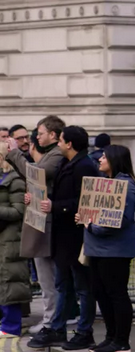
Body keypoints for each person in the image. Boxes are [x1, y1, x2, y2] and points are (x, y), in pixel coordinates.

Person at [36, 125, 100, 350]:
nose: (59, 143)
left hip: (77, 237)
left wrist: (55, 206)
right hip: (63, 237)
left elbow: (85, 202)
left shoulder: (85, 167)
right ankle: (58, 328)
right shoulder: (66, 162)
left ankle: (84, 332)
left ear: (70, 144)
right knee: (63, 285)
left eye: (61, 140)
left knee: (83, 287)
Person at [76, 145, 135, 352]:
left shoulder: (127, 186)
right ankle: (111, 337)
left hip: (115, 250)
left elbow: (119, 220)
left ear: (115, 159)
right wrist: (84, 217)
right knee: (101, 292)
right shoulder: (106, 183)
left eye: (104, 156)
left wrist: (90, 225)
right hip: (98, 249)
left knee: (116, 293)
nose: (100, 159)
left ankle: (121, 341)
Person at [7, 116, 63, 342]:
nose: (36, 137)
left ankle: (52, 321)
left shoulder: (56, 155)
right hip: (40, 222)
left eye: (40, 133)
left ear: (53, 134)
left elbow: (37, 174)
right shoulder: (49, 154)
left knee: (50, 279)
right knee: (46, 277)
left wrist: (15, 153)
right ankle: (51, 319)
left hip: (49, 225)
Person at [0, 145, 30, 338]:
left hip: (10, 238)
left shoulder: (15, 180)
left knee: (10, 281)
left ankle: (10, 326)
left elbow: (18, 211)